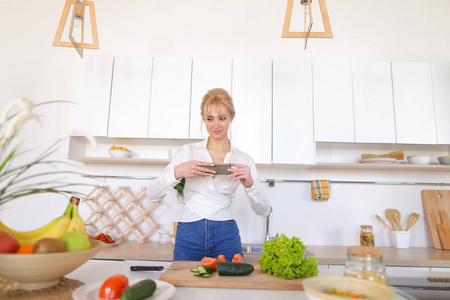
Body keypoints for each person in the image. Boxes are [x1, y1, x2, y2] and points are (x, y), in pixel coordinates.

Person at [146, 88, 271, 262]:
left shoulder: (244, 160)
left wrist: (250, 183)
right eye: (209, 119)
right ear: (203, 119)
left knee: (229, 287)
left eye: (222, 118)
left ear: (232, 117)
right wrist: (177, 172)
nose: (216, 125)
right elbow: (151, 195)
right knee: (184, 286)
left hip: (226, 235)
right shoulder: (188, 152)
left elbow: (263, 210)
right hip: (188, 234)